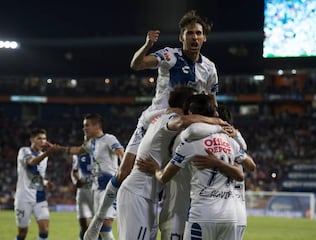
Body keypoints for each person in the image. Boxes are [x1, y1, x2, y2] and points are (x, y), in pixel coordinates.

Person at [84, 88, 228, 240]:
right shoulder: (171, 118)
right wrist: (219, 123)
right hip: (138, 194)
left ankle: (97, 220)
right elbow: (183, 121)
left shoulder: (158, 116)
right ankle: (97, 222)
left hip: (149, 197)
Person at [116, 9, 218, 200]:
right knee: (124, 172)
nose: (194, 37)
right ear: (181, 37)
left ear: (204, 38)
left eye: (198, 33)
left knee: (174, 181)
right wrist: (147, 45)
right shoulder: (170, 56)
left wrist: (220, 124)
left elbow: (212, 101)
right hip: (153, 121)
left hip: (180, 127)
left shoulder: (209, 68)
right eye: (189, 33)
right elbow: (137, 65)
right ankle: (102, 220)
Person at [137, 95, 250, 240]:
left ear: (192, 114)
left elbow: (164, 177)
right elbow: (243, 171)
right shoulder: (230, 140)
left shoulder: (189, 143)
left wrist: (155, 169)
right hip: (230, 216)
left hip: (203, 214)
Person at [59, 113, 124, 240]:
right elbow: (77, 150)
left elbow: (122, 154)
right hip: (97, 189)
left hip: (109, 187)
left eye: (87, 126)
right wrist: (57, 148)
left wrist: (123, 174)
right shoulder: (92, 143)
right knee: (99, 229)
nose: (84, 128)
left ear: (97, 125)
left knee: (105, 226)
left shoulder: (109, 139)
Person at [14, 128, 58, 240]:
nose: (42, 141)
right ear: (31, 139)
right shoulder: (24, 151)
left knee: (44, 230)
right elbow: (32, 162)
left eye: (44, 139)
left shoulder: (44, 157)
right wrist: (48, 153)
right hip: (24, 198)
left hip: (40, 197)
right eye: (39, 138)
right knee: (22, 233)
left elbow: (37, 176)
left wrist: (46, 182)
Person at [70, 135, 94, 240]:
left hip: (97, 193)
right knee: (84, 226)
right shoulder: (78, 154)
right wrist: (76, 180)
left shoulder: (102, 153)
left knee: (97, 227)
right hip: (83, 193)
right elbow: (74, 171)